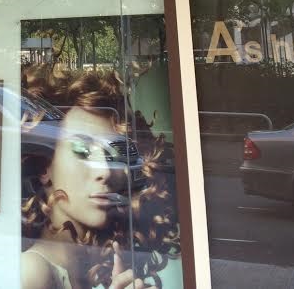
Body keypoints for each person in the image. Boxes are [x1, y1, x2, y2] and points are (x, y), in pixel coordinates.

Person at [21, 66, 181, 289]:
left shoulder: (83, 270)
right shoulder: (32, 272)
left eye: (114, 153)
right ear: (44, 168)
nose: (104, 171)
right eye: (82, 149)